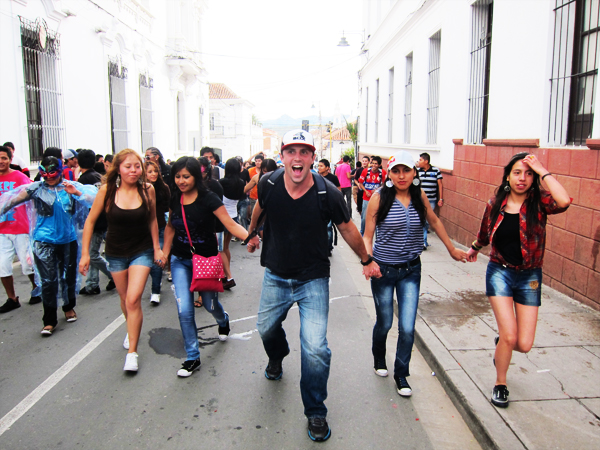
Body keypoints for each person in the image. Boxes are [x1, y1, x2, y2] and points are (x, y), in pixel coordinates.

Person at [246, 129, 380, 442]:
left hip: (313, 278)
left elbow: (347, 229)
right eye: (291, 151)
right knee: (265, 328)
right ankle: (277, 355)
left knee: (316, 348)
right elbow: (259, 208)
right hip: (276, 275)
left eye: (304, 152)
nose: (297, 157)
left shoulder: (327, 192)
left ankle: (316, 411)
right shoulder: (268, 183)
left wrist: (366, 259)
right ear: (283, 156)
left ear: (312, 157)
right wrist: (252, 233)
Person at [466, 153, 570, 408]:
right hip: (500, 271)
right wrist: (474, 248)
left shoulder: (540, 202)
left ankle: (503, 343)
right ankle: (500, 383)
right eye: (517, 172)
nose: (522, 178)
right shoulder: (496, 203)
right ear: (507, 176)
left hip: (530, 276)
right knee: (510, 336)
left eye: (528, 173)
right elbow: (485, 231)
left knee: (523, 344)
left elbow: (564, 200)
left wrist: (542, 169)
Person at [363, 150, 467, 397]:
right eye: (396, 171)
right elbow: (367, 236)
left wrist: (451, 248)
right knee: (386, 322)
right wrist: (368, 262)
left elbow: (435, 221)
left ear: (414, 173)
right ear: (389, 174)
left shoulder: (419, 195)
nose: (401, 176)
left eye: (406, 170)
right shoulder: (379, 198)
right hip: (383, 271)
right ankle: (379, 357)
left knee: (408, 327)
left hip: (411, 270)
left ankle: (401, 374)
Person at [79, 149, 164, 372]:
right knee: (125, 298)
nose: (134, 171)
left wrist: (157, 248)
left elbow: (153, 220)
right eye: (128, 167)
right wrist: (86, 254)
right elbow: (89, 222)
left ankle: (132, 352)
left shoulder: (148, 190)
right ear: (118, 168)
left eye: (137, 166)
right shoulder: (107, 191)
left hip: (142, 250)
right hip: (115, 252)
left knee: (134, 299)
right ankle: (131, 328)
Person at [162, 157, 248, 377]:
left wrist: (251, 238)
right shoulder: (175, 198)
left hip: (206, 261)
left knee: (210, 306)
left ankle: (223, 320)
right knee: (185, 310)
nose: (181, 181)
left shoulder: (209, 198)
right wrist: (164, 251)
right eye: (178, 176)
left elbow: (230, 223)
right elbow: (171, 226)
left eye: (186, 176)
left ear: (196, 177)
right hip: (180, 261)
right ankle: (192, 357)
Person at [0, 156, 97, 335]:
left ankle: (69, 307)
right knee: (48, 281)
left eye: (53, 173)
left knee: (67, 277)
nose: (49, 178)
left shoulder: (70, 186)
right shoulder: (35, 189)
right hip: (44, 241)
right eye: (45, 174)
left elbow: (94, 200)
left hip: (67, 240)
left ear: (60, 171)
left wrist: (76, 193)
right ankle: (49, 320)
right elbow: (10, 202)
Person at [0, 145, 41, 314]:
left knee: (27, 265)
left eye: (4, 158)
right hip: (2, 230)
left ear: (10, 159)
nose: (1, 161)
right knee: (2, 266)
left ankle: (36, 288)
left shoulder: (19, 177)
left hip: (21, 228)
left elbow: (33, 193)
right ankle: (12, 298)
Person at [77, 149, 115, 295]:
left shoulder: (83, 181)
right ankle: (92, 283)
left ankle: (112, 274)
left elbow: (85, 203)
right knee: (93, 252)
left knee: (92, 254)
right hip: (103, 220)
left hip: (95, 222)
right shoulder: (99, 177)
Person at [218, 158, 246, 289]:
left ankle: (228, 276)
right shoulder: (241, 183)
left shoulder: (222, 183)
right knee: (226, 247)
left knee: (221, 249)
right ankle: (225, 274)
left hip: (222, 218)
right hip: (234, 217)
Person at [146, 160, 170, 304]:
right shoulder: (139, 188)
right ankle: (156, 280)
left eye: (156, 171)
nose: (153, 174)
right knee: (147, 261)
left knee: (157, 260)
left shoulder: (163, 187)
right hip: (143, 231)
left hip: (161, 227)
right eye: (150, 171)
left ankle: (155, 291)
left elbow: (169, 208)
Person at [417, 152, 444, 249]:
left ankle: (423, 241)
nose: (418, 162)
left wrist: (440, 198)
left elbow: (440, 184)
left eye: (420, 160)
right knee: (421, 220)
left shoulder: (435, 171)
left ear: (426, 161)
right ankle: (423, 241)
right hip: (419, 199)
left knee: (427, 221)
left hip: (431, 200)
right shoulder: (417, 171)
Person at [357, 156, 386, 235]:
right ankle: (362, 233)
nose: (373, 165)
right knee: (364, 217)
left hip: (377, 198)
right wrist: (365, 191)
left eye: (376, 164)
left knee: (378, 217)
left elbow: (385, 185)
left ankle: (378, 235)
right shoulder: (365, 171)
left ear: (379, 165)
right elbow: (360, 183)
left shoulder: (382, 173)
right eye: (372, 163)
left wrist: (377, 190)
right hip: (366, 197)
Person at [317, 159, 340, 256]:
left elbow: (338, 190)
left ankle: (328, 248)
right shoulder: (315, 177)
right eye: (318, 166)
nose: (319, 168)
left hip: (329, 207)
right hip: (317, 207)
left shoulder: (333, 178)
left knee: (328, 228)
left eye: (321, 166)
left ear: (327, 168)